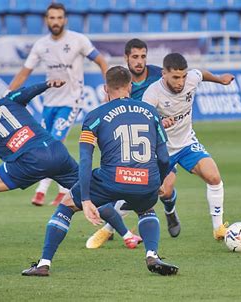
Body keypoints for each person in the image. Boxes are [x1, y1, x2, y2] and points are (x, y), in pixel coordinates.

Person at [0, 82, 142, 254]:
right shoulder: (9, 100)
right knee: (88, 193)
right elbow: (28, 91)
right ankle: (128, 236)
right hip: (56, 151)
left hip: (28, 161)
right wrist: (49, 84)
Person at [21, 66, 178, 277]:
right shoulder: (150, 112)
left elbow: (85, 160)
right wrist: (155, 182)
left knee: (67, 205)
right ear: (130, 86)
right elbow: (165, 157)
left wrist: (85, 199)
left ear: (105, 88)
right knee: (147, 208)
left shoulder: (95, 116)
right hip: (146, 179)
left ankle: (44, 264)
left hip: (110, 179)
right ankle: (152, 254)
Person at [7, 2, 108, 207]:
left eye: (59, 18)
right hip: (49, 102)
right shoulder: (41, 45)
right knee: (46, 144)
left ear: (65, 20)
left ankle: (42, 189)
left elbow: (101, 61)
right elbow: (24, 73)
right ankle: (64, 189)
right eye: (52, 18)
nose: (56, 21)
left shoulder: (78, 40)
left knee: (54, 142)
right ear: (46, 20)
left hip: (71, 101)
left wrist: (109, 89)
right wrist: (8, 95)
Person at [86, 39, 181, 249]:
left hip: (159, 139)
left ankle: (170, 211)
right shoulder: (118, 79)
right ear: (126, 58)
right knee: (128, 182)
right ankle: (115, 229)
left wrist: (164, 119)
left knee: (163, 190)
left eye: (143, 56)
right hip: (129, 143)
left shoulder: (159, 75)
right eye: (135, 57)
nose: (140, 61)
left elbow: (178, 92)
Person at [143, 53, 235, 241]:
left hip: (186, 144)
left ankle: (218, 229)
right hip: (161, 150)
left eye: (183, 76)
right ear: (164, 74)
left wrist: (220, 80)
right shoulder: (152, 93)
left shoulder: (191, 79)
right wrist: (159, 122)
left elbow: (200, 74)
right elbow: (142, 122)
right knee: (155, 193)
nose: (181, 82)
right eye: (175, 77)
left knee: (214, 177)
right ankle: (109, 228)